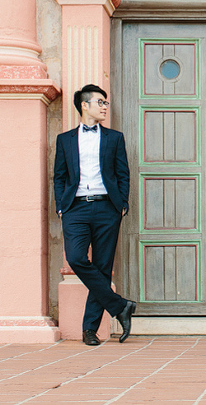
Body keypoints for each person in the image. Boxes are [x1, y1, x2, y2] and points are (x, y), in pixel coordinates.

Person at [53, 84, 137, 346]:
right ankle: (120, 306)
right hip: (75, 207)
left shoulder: (114, 138)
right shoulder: (65, 139)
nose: (104, 107)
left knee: (101, 268)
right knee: (77, 258)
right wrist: (61, 205)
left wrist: (121, 203)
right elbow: (60, 175)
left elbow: (123, 173)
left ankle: (89, 330)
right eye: (100, 102)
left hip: (106, 208)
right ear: (84, 105)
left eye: (105, 103)